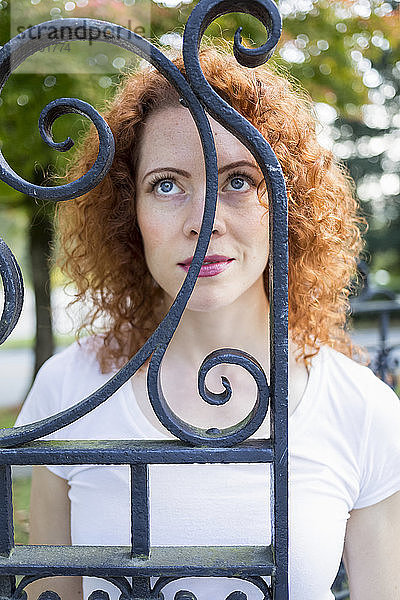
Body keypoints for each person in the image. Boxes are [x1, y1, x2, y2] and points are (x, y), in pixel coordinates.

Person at [15, 45, 400, 600]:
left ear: (286, 203)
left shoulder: (360, 409)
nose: (205, 222)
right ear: (129, 211)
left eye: (239, 180)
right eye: (167, 184)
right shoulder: (67, 390)